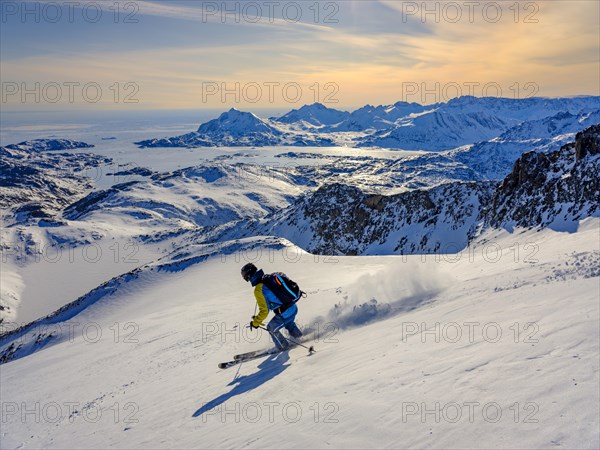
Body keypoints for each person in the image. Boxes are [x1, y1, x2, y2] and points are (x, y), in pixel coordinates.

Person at [241, 263, 303, 351]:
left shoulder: (259, 289)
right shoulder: (268, 278)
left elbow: (264, 311)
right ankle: (299, 337)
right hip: (293, 307)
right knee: (289, 323)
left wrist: (255, 323)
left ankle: (283, 347)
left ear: (248, 276)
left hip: (285, 312)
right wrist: (258, 318)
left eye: (245, 277)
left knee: (271, 328)